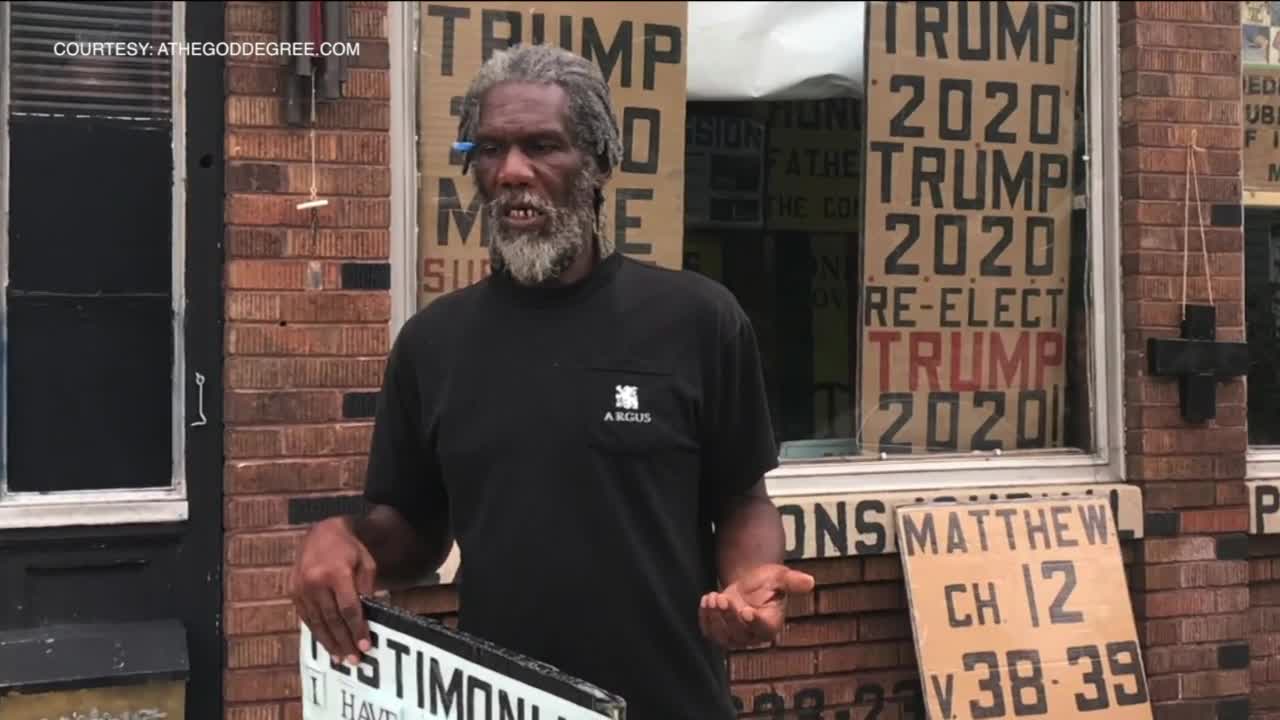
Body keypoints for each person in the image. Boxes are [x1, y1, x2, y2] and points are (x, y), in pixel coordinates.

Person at [289, 43, 814, 720]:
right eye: (490, 149)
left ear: (599, 166)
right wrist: (346, 538)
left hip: (669, 703)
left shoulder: (697, 321)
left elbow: (743, 495)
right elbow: (416, 534)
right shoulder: (433, 343)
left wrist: (747, 586)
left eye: (543, 146)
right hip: (502, 706)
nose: (512, 172)